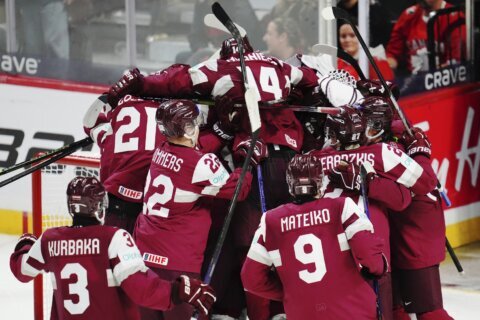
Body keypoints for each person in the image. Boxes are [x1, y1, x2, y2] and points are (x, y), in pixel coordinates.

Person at [10, 176, 216, 319]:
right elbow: (141, 290)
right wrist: (177, 291)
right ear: (100, 206)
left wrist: (25, 244)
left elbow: (22, 271)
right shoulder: (115, 238)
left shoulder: (49, 240)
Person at [133, 99, 260, 320]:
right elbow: (238, 190)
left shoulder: (160, 151)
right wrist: (247, 161)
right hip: (177, 266)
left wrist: (222, 132)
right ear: (189, 127)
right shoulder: (200, 164)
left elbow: (193, 156)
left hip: (143, 261)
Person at [241, 153, 387, 320]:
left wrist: (290, 291)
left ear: (290, 184)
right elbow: (370, 257)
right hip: (353, 310)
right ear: (320, 181)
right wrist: (379, 267)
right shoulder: (342, 206)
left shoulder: (270, 220)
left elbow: (250, 278)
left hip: (302, 313)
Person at [83, 94, 165, 234]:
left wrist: (105, 100)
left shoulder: (107, 132)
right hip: (149, 206)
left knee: (109, 250)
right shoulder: (167, 119)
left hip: (114, 198)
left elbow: (89, 124)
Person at [386, 0, 465, 74]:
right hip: (411, 83)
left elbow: (455, 63)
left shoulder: (454, 17)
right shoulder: (408, 15)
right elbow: (392, 55)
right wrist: (386, 66)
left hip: (443, 82)